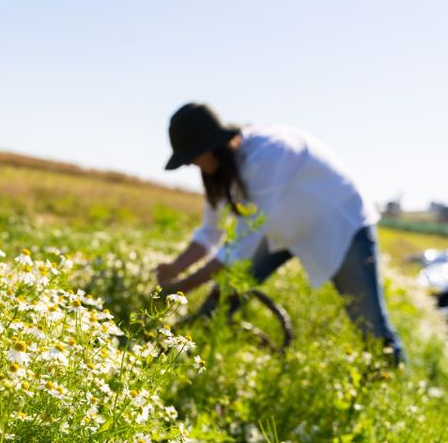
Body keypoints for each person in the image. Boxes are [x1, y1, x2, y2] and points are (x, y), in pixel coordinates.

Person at [156, 102, 405, 364]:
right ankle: (176, 355)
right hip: (284, 230)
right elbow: (210, 232)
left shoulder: (267, 154)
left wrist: (178, 289)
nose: (191, 164)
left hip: (340, 225)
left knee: (370, 325)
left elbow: (237, 252)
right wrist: (175, 268)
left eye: (192, 155)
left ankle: (395, 376)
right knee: (225, 294)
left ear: (212, 145)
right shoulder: (220, 171)